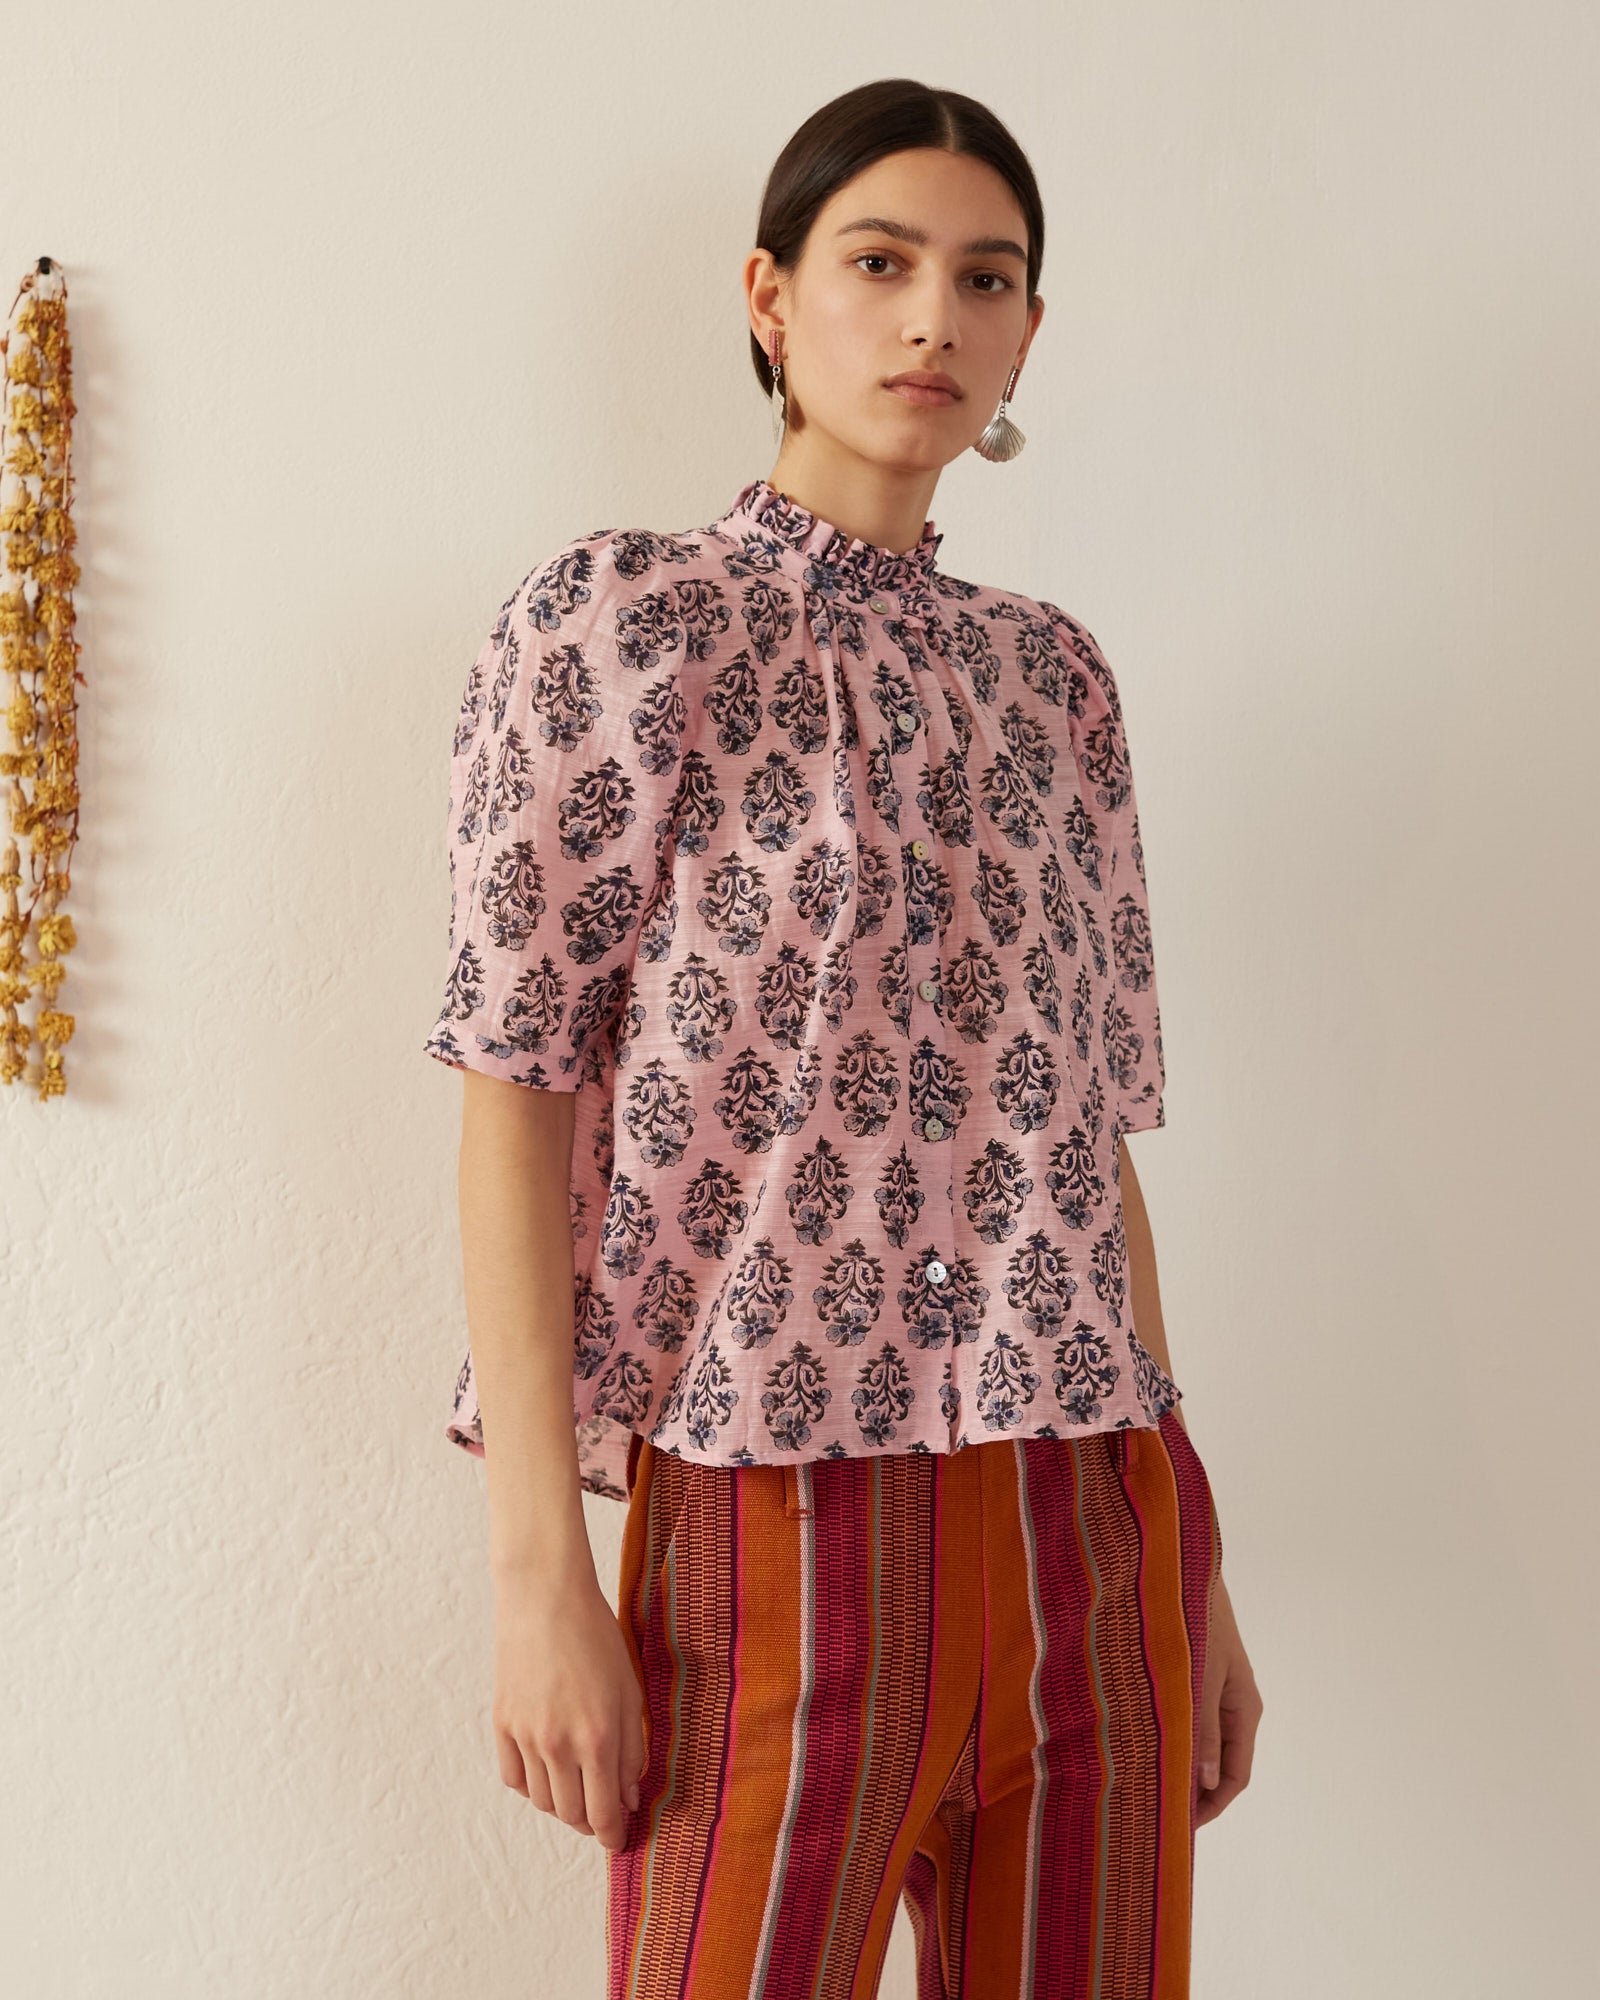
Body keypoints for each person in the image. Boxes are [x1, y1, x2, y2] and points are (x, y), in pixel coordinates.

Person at [424, 76, 1262, 2000]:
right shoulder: (621, 629)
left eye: (986, 279)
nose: (930, 321)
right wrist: (539, 1569)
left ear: (1028, 332)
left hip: (1092, 1516)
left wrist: (1191, 1558)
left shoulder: (1055, 683)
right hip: (776, 1526)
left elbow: (1093, 1156)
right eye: (878, 264)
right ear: (768, 295)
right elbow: (513, 1099)